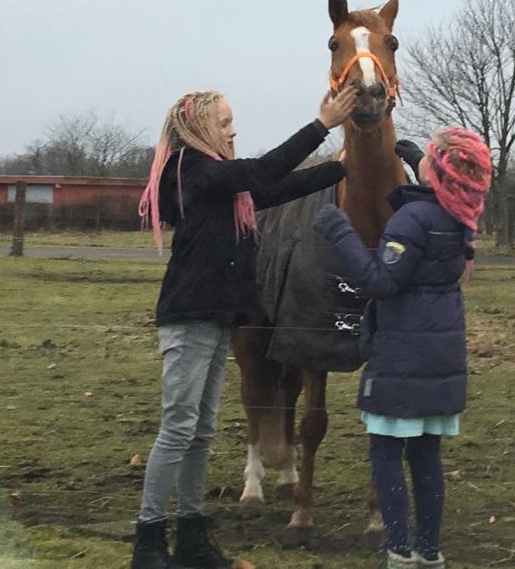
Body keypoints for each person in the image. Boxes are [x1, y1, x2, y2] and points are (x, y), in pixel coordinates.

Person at [130, 86, 357, 569]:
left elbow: (273, 188)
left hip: (217, 318)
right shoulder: (191, 170)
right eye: (225, 122)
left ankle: (192, 538)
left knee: (200, 432)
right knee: (177, 429)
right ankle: (148, 542)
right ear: (198, 129)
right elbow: (258, 172)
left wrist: (341, 167)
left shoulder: (221, 180)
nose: (234, 130)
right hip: (189, 317)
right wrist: (321, 125)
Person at [312, 127, 492, 569]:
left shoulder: (411, 220)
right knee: (427, 455)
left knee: (386, 451)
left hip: (401, 358)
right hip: (441, 356)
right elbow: (430, 205)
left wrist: (340, 233)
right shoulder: (459, 217)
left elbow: (381, 281)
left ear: (439, 172)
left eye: (429, 155)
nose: (422, 158)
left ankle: (398, 549)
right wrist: (419, 163)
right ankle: (429, 551)